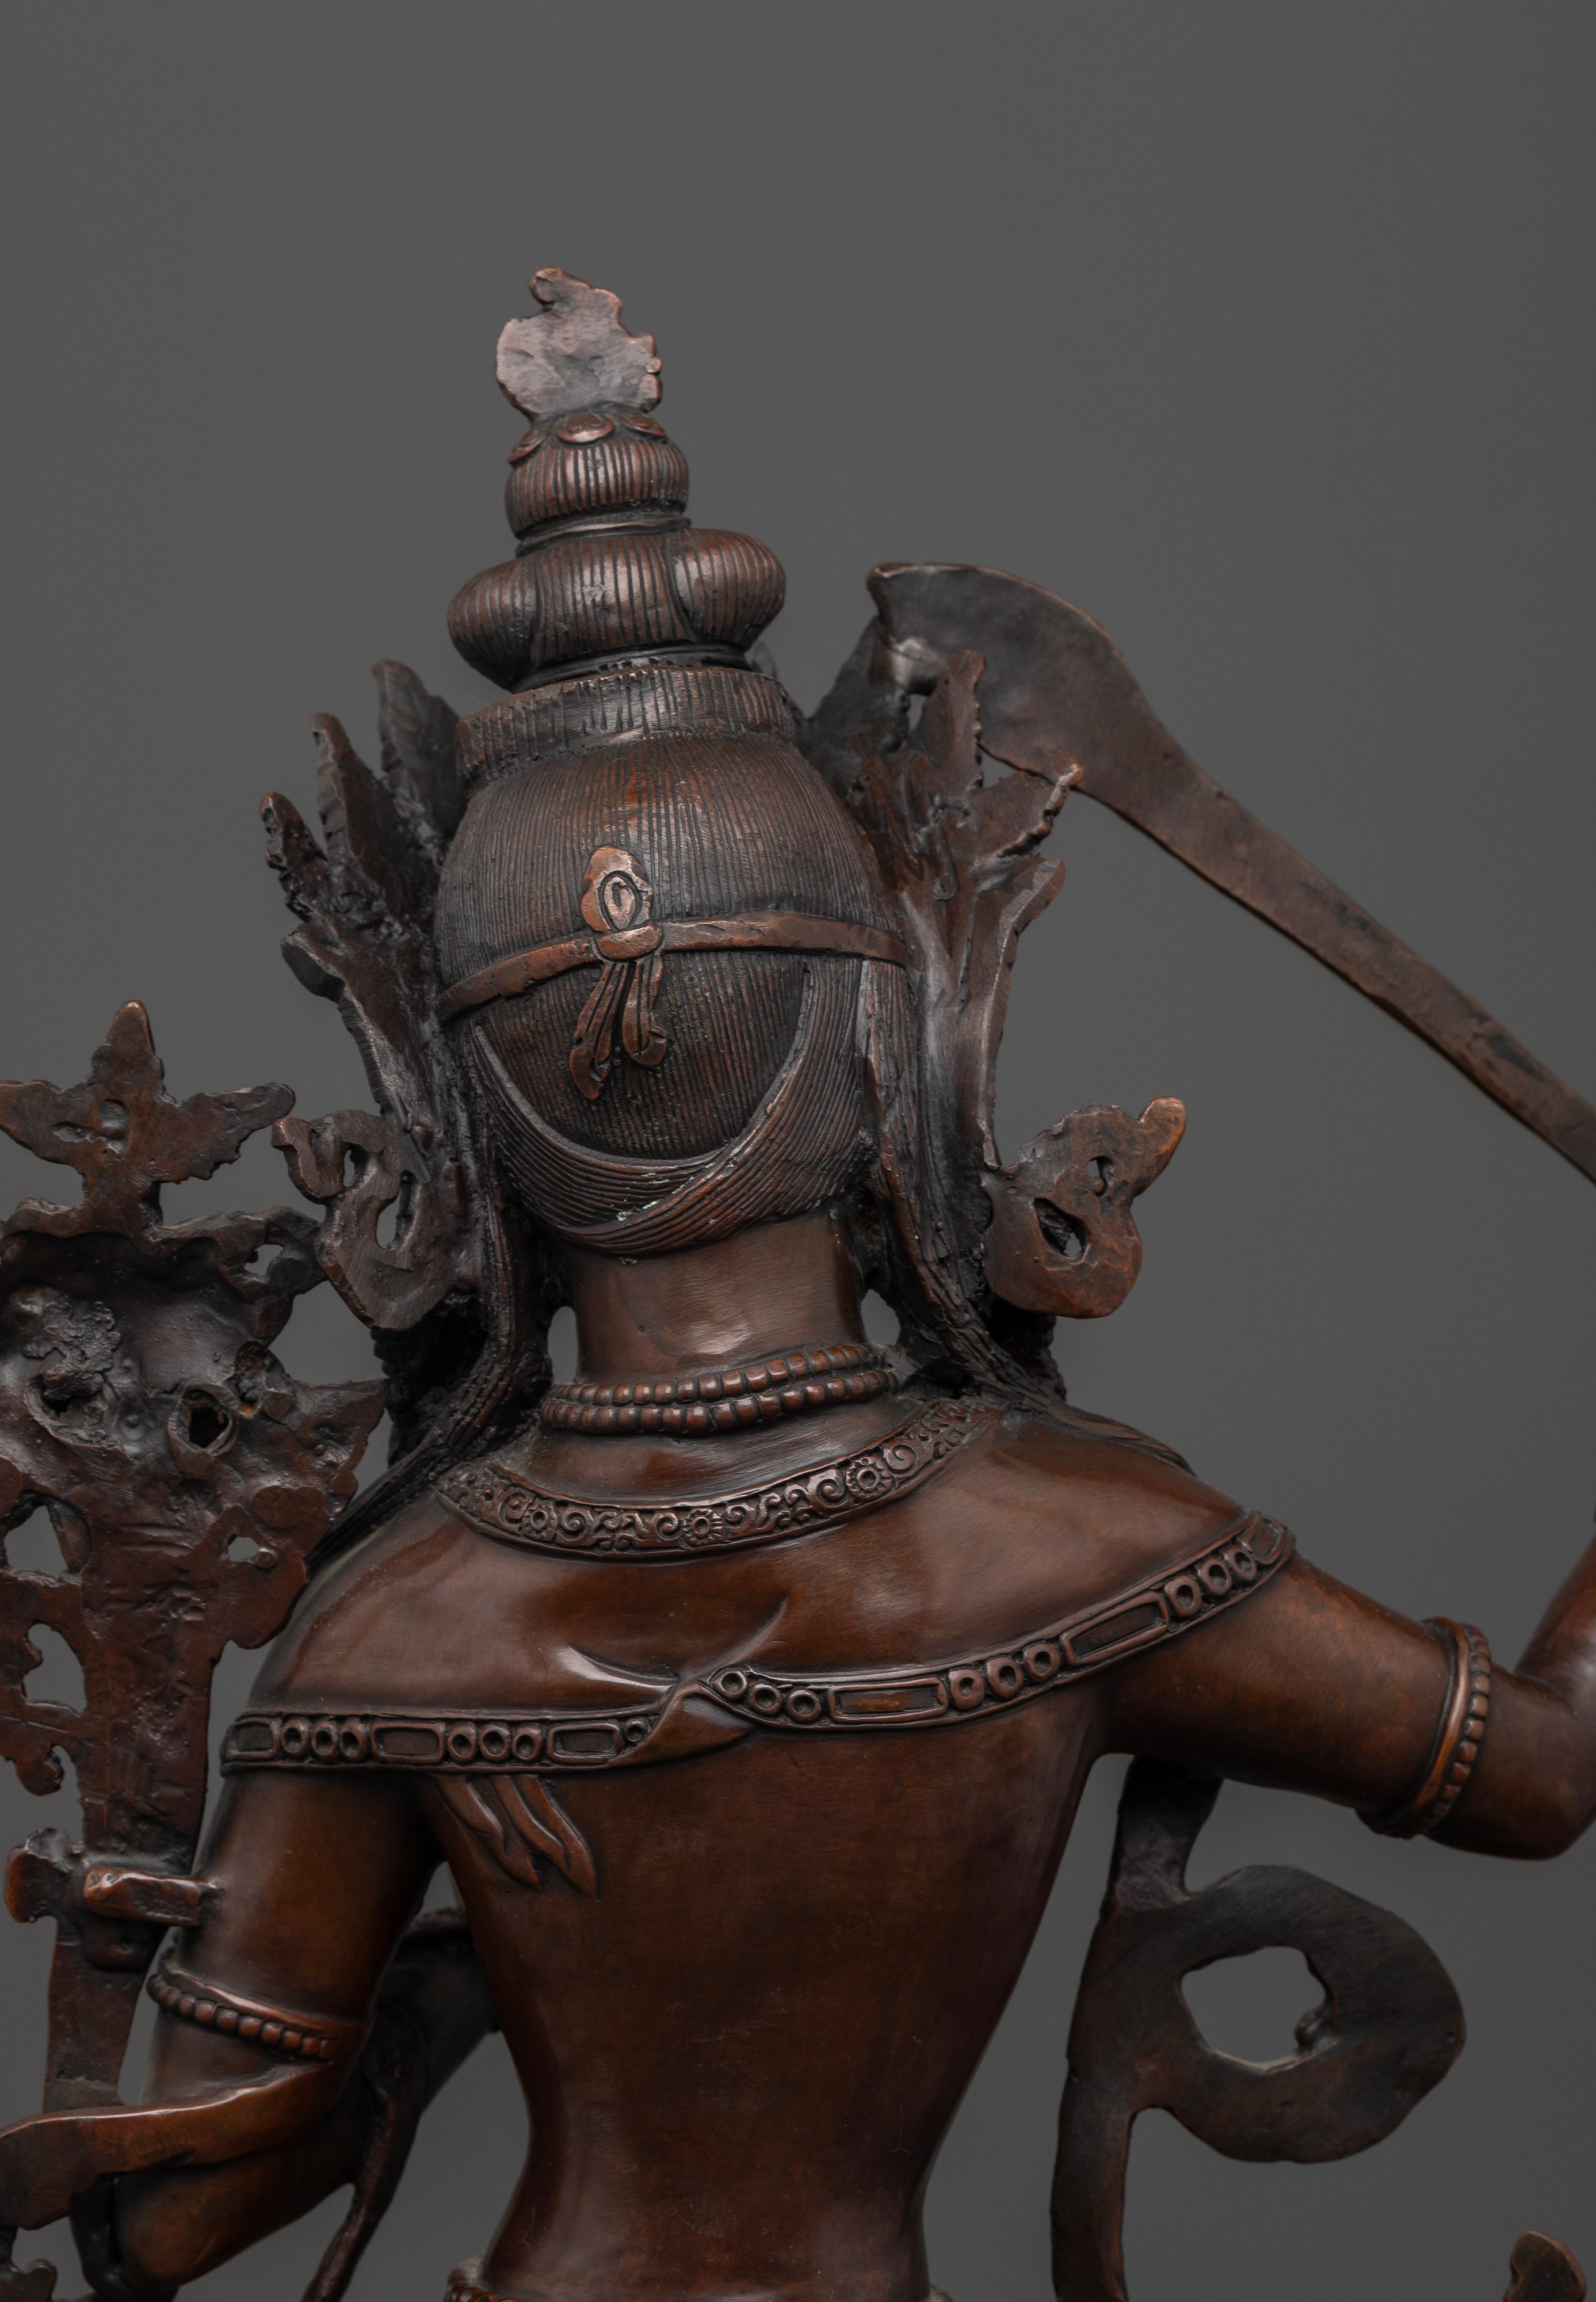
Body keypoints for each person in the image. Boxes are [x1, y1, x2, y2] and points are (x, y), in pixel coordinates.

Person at [106, 273, 1595, 2302]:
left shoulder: (394, 1626)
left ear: (461, 1107)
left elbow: (173, 2217)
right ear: (892, 1035)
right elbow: (1543, 1770)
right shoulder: (1080, 1548)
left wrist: (153, 1902)